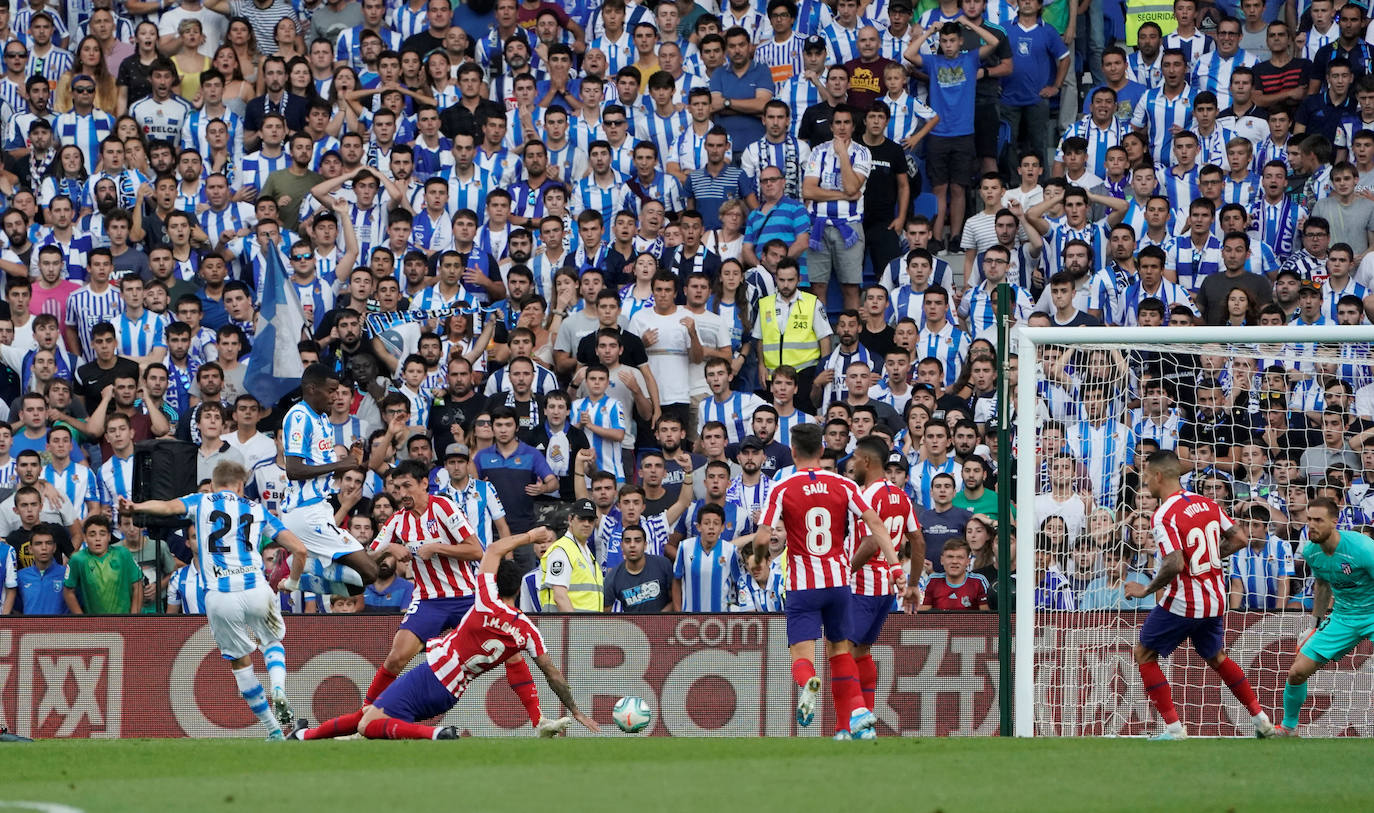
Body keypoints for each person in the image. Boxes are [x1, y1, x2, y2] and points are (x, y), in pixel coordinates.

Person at [291, 459, 546, 740]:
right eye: (397, 488)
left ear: (424, 483)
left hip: (466, 597)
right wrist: (389, 547)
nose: (402, 494)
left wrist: (435, 547)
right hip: (428, 600)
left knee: (511, 653)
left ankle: (538, 720)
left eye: (407, 486)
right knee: (396, 657)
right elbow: (368, 558)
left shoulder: (444, 508)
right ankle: (367, 715)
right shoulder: (397, 521)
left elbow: (477, 550)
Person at [306, 527, 598, 741]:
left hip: (433, 674)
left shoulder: (485, 602)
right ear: (518, 589)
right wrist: (575, 710)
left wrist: (531, 536)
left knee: (367, 724)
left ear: (493, 582)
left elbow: (494, 548)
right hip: (451, 692)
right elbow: (551, 673)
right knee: (368, 715)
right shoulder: (527, 631)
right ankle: (303, 737)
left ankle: (436, 734)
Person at [120, 460, 307, 739]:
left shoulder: (202, 501)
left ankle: (273, 730)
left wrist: (136, 507)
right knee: (271, 642)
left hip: (220, 597)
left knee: (240, 662)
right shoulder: (256, 509)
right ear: (241, 485)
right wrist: (291, 582)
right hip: (255, 588)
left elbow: (169, 507)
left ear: (214, 483)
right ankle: (278, 687)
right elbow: (300, 550)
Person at [757, 422, 901, 739]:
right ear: (822, 450)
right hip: (838, 581)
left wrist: (758, 557)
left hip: (802, 585)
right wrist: (895, 566)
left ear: (793, 452)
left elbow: (764, 533)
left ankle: (808, 681)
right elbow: (874, 522)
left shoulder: (782, 487)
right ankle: (852, 719)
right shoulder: (844, 485)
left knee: (801, 655)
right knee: (839, 650)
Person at [1123, 449, 1276, 740]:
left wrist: (1146, 589)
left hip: (1186, 600)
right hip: (1216, 597)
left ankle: (1173, 728)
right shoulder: (1206, 503)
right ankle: (1262, 721)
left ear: (1157, 476)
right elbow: (1240, 538)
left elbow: (1174, 563)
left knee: (1143, 653)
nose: (1145, 483)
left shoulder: (1164, 514)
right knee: (1216, 656)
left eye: (1145, 476)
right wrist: (1207, 556)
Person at [277, 364, 377, 597]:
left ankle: (302, 573)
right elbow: (293, 469)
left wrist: (352, 461)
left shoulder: (322, 418)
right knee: (369, 572)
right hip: (305, 512)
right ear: (312, 389)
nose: (335, 397)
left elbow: (321, 467)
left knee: (355, 586)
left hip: (319, 509)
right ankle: (301, 568)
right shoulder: (299, 417)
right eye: (331, 391)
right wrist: (340, 464)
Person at [1277, 497, 1374, 735]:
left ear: (1335, 521)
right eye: (1309, 519)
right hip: (1343, 617)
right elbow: (1322, 586)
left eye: (1318, 520)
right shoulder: (1311, 551)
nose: (1312, 525)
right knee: (1297, 671)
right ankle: (1288, 728)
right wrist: (1315, 625)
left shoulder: (1363, 549)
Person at [847, 438, 923, 713]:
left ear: (867, 462)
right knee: (862, 653)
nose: (851, 463)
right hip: (885, 589)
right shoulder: (902, 497)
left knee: (843, 655)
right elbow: (918, 540)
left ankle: (851, 720)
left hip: (862, 585)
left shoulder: (866, 496)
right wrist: (912, 583)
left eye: (855, 457)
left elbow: (870, 543)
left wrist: (846, 572)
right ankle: (866, 714)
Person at [603, 523, 675, 612]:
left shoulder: (663, 564)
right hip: (631, 625)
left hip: (665, 624)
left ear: (645, 545)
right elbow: (605, 613)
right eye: (627, 541)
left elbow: (677, 599)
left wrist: (659, 618)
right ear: (621, 546)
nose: (632, 545)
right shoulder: (613, 576)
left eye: (637, 540)